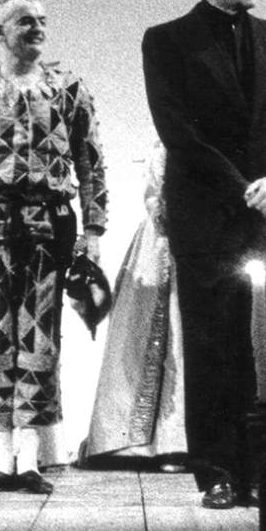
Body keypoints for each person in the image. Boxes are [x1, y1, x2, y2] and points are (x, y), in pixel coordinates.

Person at [141, 0, 266, 510]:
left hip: (263, 217)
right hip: (208, 218)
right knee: (212, 347)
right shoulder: (166, 41)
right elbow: (178, 132)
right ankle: (215, 469)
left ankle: (264, 466)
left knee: (264, 346)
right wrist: (243, 187)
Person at [0, 0, 106, 494]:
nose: (37, 29)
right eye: (26, 22)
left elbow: (90, 161)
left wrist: (93, 230)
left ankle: (29, 460)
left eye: (42, 22)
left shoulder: (68, 87)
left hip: (48, 223)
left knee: (40, 339)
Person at [83, 145, 189, 465]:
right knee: (143, 333)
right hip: (155, 243)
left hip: (194, 238)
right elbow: (152, 189)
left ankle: (181, 439)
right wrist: (157, 207)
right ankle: (136, 438)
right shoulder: (162, 145)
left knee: (183, 334)